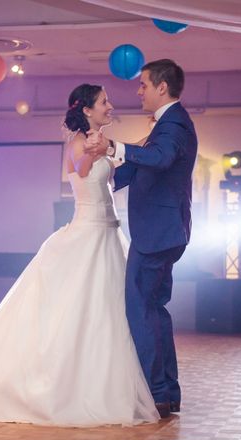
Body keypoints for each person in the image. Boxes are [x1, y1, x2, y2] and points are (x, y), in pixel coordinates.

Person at [0, 84, 160, 427]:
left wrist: (127, 146)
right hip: (87, 231)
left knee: (109, 313)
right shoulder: (77, 143)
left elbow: (114, 170)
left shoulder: (99, 140)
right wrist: (100, 149)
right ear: (87, 110)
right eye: (103, 102)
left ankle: (105, 384)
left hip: (110, 232)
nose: (110, 106)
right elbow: (83, 171)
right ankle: (54, 388)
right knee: (79, 311)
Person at [84, 59, 198, 418]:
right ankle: (167, 393)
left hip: (157, 234)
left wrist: (113, 149)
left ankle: (156, 393)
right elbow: (142, 164)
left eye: (143, 84)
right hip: (164, 232)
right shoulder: (168, 124)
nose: (138, 91)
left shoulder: (174, 125)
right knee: (155, 311)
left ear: (161, 87)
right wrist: (99, 178)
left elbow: (160, 159)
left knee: (140, 310)